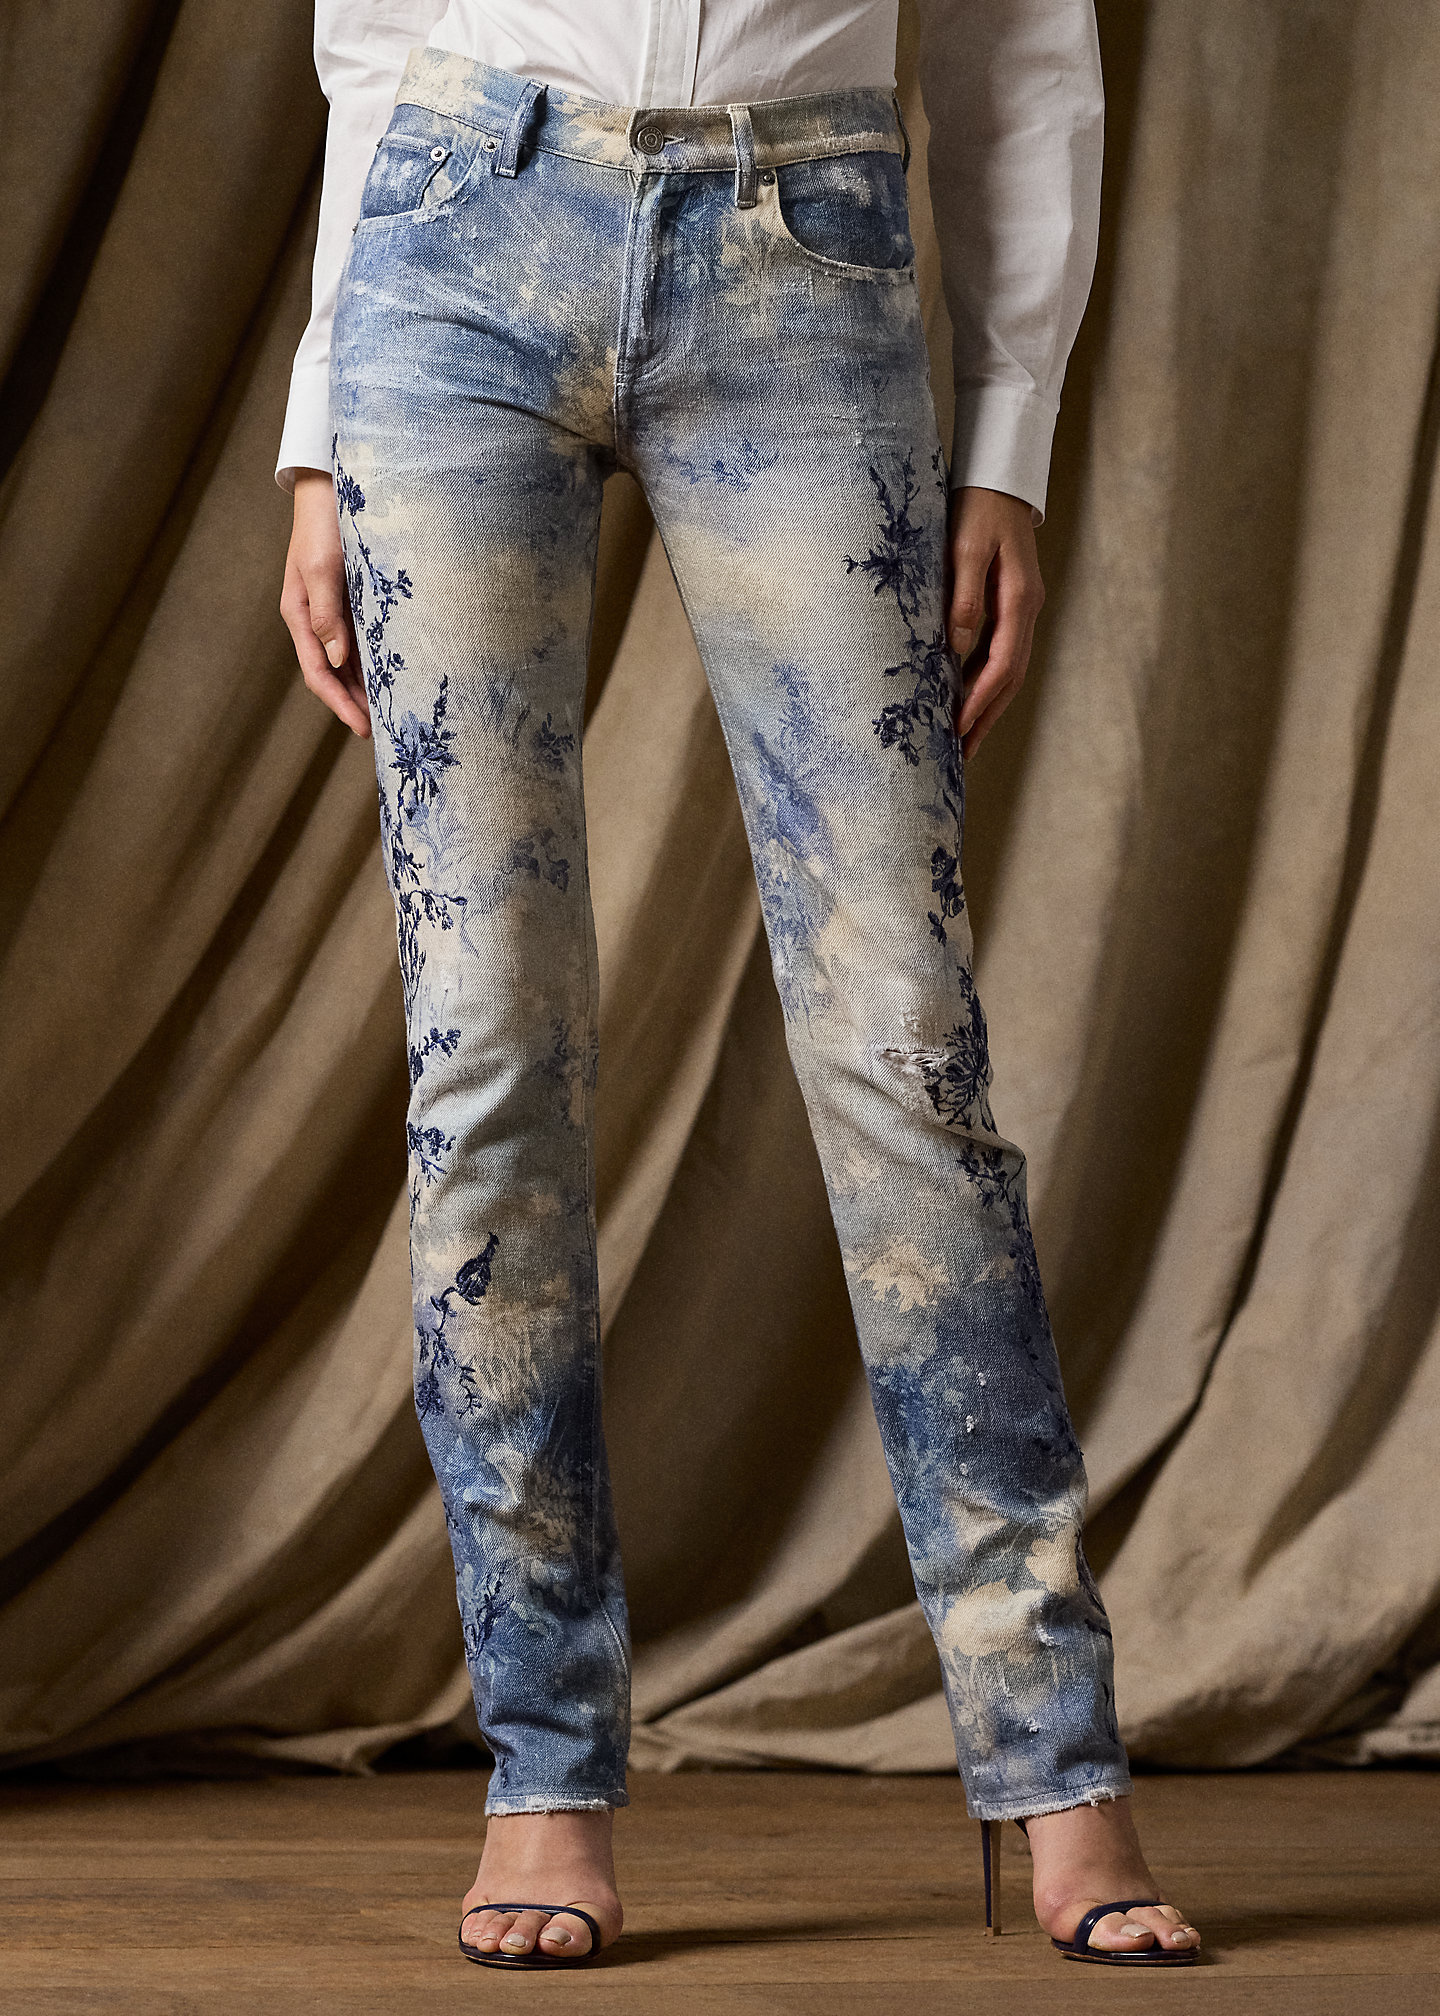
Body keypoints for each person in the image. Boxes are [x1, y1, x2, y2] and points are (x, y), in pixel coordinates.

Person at [278, 0, 1201, 1973]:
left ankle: (1055, 1760)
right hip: (454, 241)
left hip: (807, 247)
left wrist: (1011, 443)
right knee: (487, 1055)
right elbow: (373, 33)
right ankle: (543, 1767)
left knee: (903, 1052)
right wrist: (311, 421)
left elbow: (1023, 48)